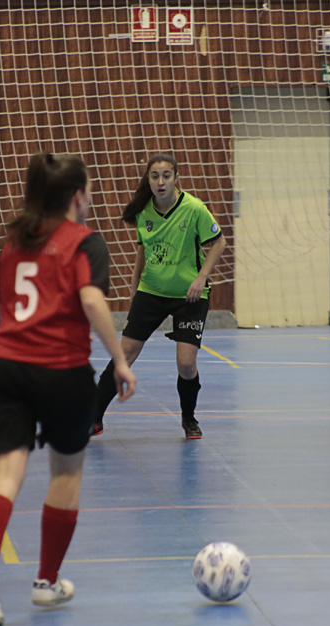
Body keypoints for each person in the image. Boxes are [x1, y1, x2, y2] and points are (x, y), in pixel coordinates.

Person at [0, 153, 136, 626]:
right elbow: (91, 300)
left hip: (1, 370)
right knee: (65, 473)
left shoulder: (13, 240)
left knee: (5, 474)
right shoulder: (85, 241)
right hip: (61, 371)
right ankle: (46, 582)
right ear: (77, 197)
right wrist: (120, 360)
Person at [91, 154, 226, 439]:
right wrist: (134, 284)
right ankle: (93, 418)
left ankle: (188, 418)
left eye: (166, 175)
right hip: (151, 292)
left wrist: (201, 277)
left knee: (186, 364)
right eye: (155, 176)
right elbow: (143, 248)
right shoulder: (144, 212)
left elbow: (219, 242)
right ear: (148, 180)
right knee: (124, 354)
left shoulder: (194, 208)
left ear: (176, 178)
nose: (161, 181)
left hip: (189, 296)